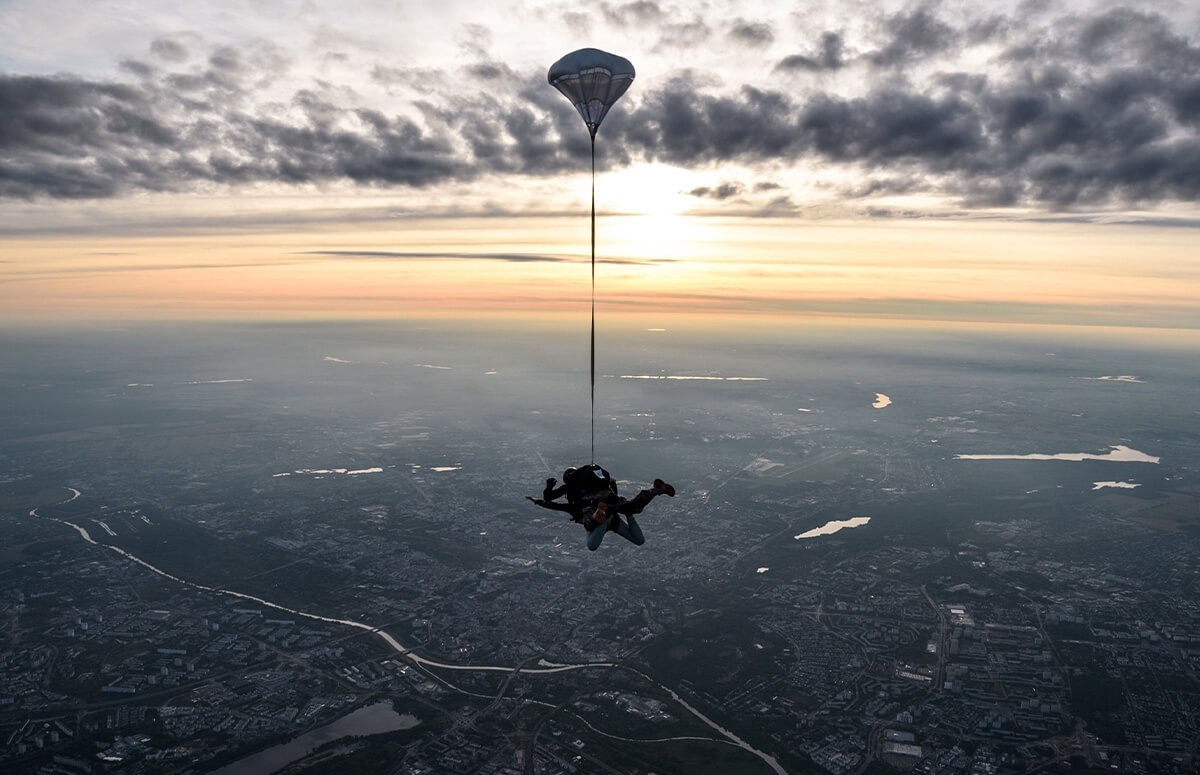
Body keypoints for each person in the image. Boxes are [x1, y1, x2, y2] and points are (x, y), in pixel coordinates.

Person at [526, 464, 676, 551]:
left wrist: (543, 493)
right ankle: (655, 491)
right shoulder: (597, 481)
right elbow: (613, 484)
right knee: (633, 513)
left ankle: (599, 516)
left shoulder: (573, 495)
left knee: (591, 542)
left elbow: (551, 503)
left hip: (596, 511)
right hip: (611, 503)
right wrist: (618, 505)